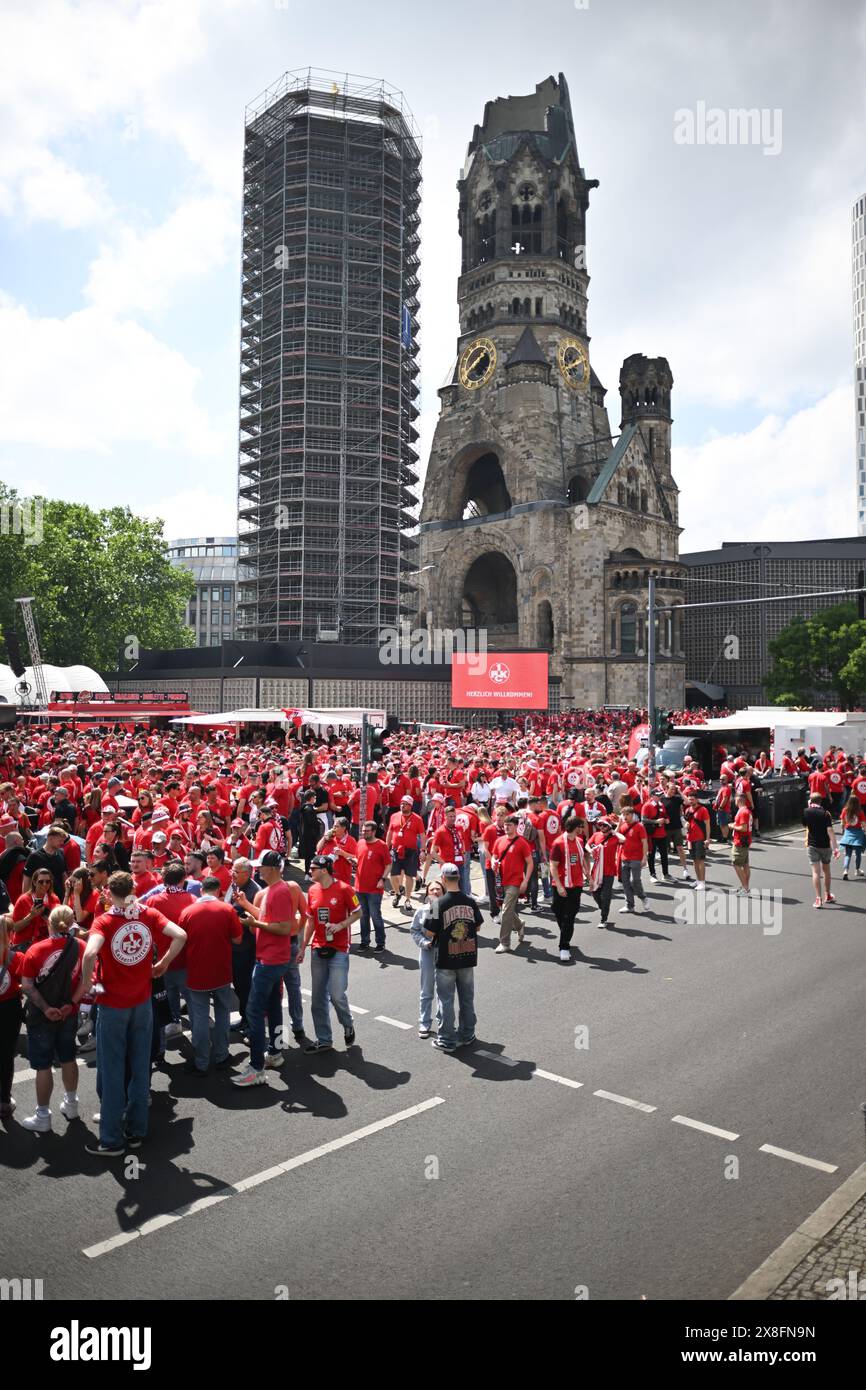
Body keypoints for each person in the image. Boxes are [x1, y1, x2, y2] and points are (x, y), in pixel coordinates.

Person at [77, 871, 186, 1156]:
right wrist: (162, 963)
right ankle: (137, 1130)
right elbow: (181, 935)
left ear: (109, 893)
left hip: (113, 1005)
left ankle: (111, 1139)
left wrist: (86, 983)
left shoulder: (104, 921)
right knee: (140, 1068)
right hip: (142, 1003)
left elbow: (89, 954)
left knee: (112, 1070)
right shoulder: (148, 914)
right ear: (133, 889)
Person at [232, 851, 307, 1087]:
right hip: (273, 958)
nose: (258, 871)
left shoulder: (280, 891)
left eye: (261, 867)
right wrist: (247, 907)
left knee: (254, 1012)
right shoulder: (274, 890)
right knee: (273, 1006)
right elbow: (270, 919)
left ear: (272, 868)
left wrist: (254, 923)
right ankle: (275, 1053)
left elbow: (284, 928)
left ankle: (256, 1068)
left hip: (271, 960)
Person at [18, 904, 86, 1132]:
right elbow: (86, 983)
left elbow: (26, 985)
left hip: (41, 1016)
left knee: (43, 1065)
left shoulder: (35, 950)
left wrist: (46, 1008)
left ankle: (43, 1116)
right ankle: (71, 1103)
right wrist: (71, 1005)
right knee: (68, 1057)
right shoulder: (82, 947)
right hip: (69, 1013)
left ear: (49, 924)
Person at [179, 878, 242, 1075]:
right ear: (218, 891)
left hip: (196, 973)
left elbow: (180, 940)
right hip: (221, 972)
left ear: (201, 891)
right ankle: (222, 1055)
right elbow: (237, 939)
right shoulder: (227, 910)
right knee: (222, 1013)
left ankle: (201, 1061)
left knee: (199, 1017)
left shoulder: (187, 912)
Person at [298, 855, 360, 1053]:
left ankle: (347, 1022)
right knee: (317, 999)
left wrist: (340, 925)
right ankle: (324, 1040)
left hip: (340, 949)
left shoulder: (345, 889)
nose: (310, 872)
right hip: (318, 948)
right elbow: (309, 921)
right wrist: (303, 946)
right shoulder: (312, 890)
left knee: (336, 994)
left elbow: (358, 912)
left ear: (324, 870)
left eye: (313, 868)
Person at [422, 863, 481, 1052]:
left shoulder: (437, 903)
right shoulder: (470, 901)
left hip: (446, 958)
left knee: (446, 1000)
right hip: (467, 955)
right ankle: (467, 1033)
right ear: (459, 878)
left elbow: (429, 932)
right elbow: (478, 926)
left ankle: (446, 1039)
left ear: (444, 880)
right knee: (467, 997)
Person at [223, 856, 263, 1035]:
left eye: (236, 872)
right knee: (239, 986)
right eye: (232, 870)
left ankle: (251, 1023)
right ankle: (245, 1018)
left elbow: (258, 920)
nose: (232, 874)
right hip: (234, 946)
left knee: (246, 986)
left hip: (247, 948)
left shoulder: (255, 892)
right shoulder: (234, 885)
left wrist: (237, 921)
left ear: (247, 874)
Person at [549, 814, 591, 961]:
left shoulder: (579, 841)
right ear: (575, 827)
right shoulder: (558, 843)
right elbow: (553, 866)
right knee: (557, 910)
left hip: (576, 884)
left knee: (569, 916)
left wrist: (589, 877)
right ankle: (566, 933)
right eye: (581, 826)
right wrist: (559, 886)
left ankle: (564, 946)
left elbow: (582, 860)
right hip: (560, 885)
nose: (583, 829)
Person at [491, 816, 533, 953]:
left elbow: (530, 863)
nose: (506, 827)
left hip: (515, 881)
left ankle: (504, 942)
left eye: (509, 825)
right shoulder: (499, 841)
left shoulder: (522, 843)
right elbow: (494, 856)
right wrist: (493, 862)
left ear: (516, 826)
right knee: (507, 910)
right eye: (505, 825)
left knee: (505, 911)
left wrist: (525, 881)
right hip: (501, 880)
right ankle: (519, 925)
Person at [410, 879, 444, 1038]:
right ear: (427, 894)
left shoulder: (447, 909)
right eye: (432, 890)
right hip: (428, 953)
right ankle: (424, 1022)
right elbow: (414, 931)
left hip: (445, 953)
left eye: (438, 889)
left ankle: (443, 1022)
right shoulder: (421, 911)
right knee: (426, 990)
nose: (436, 892)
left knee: (444, 991)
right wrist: (424, 943)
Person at [0, 912, 25, 1117]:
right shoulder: (16, 958)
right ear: (9, 934)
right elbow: (27, 985)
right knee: (7, 1055)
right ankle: (4, 1101)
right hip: (10, 1009)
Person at [354, 820, 391, 951]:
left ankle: (380, 942)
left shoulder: (382, 845)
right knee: (363, 916)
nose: (364, 833)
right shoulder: (360, 843)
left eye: (367, 831)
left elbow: (388, 864)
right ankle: (365, 941)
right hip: (359, 887)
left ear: (374, 831)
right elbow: (357, 860)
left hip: (375, 888)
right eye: (363, 830)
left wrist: (383, 879)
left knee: (375, 915)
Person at [386, 796, 425, 910]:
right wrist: (386, 848)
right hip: (396, 850)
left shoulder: (417, 819)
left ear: (410, 806)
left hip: (410, 851)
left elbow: (422, 835)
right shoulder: (394, 816)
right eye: (401, 803)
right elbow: (390, 831)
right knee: (392, 874)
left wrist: (423, 850)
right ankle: (398, 893)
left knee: (409, 876)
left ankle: (407, 899)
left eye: (406, 804)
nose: (403, 805)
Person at [803, 792, 840, 909]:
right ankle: (827, 894)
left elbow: (805, 825)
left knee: (815, 872)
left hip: (812, 845)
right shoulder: (826, 813)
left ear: (810, 801)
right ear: (820, 801)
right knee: (826, 870)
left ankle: (818, 898)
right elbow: (830, 831)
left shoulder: (806, 812)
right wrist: (835, 848)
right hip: (825, 846)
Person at [614, 805, 648, 914]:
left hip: (636, 858)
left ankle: (643, 897)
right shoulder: (622, 825)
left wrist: (644, 857)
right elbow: (614, 836)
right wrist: (619, 824)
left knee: (635, 880)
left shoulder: (639, 826)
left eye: (627, 814)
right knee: (625, 882)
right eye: (623, 814)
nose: (625, 817)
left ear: (632, 815)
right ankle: (630, 905)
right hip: (624, 857)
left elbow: (644, 842)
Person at [589, 817, 619, 927]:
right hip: (596, 870)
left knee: (606, 895)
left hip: (609, 871)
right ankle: (604, 908)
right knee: (595, 893)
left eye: (604, 825)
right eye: (600, 825)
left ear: (609, 826)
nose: (601, 827)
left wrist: (614, 832)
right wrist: (590, 849)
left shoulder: (614, 837)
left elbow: (623, 839)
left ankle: (603, 918)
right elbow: (588, 844)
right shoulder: (596, 835)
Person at [683, 793, 711, 890]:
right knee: (694, 861)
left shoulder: (703, 810)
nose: (691, 801)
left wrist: (707, 839)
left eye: (692, 799)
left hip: (700, 839)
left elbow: (707, 825)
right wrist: (686, 826)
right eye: (689, 799)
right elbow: (688, 822)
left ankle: (702, 882)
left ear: (697, 800)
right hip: (690, 838)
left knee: (701, 861)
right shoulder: (687, 810)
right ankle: (698, 880)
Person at [730, 793, 753, 893]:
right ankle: (745, 886)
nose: (734, 801)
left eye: (735, 799)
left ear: (738, 800)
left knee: (736, 864)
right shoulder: (746, 811)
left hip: (741, 841)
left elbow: (743, 828)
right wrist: (735, 824)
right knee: (745, 864)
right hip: (745, 840)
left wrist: (732, 826)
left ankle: (745, 888)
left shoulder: (743, 812)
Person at [839, 794, 866, 879]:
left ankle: (845, 870)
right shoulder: (860, 811)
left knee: (848, 854)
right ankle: (857, 870)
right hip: (858, 834)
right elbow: (864, 824)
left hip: (848, 833)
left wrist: (843, 830)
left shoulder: (845, 810)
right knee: (858, 854)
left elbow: (842, 823)